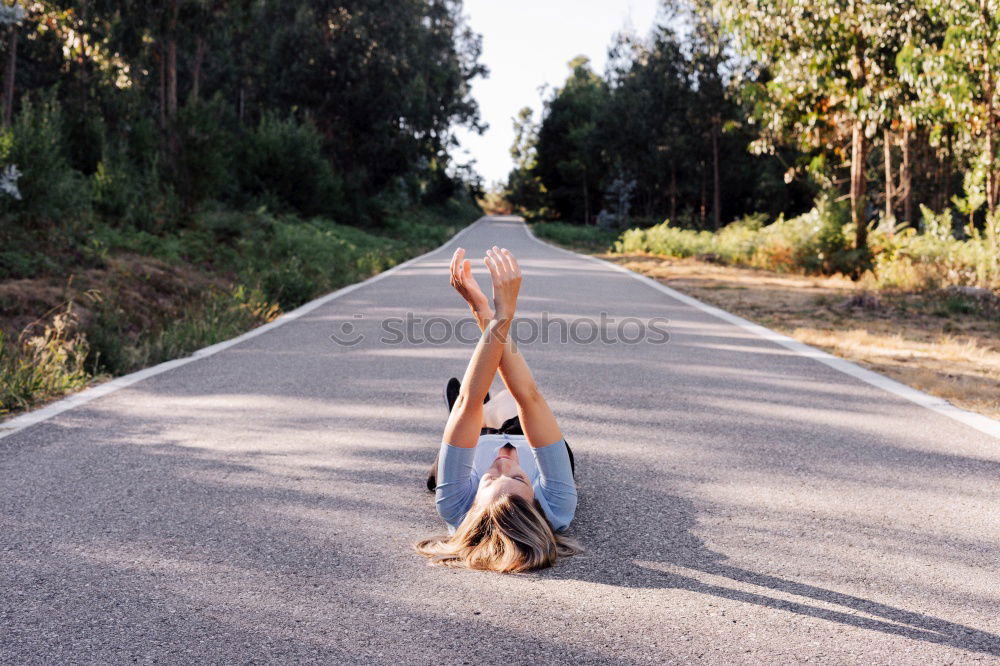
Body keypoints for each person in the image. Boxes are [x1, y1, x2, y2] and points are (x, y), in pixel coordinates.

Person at [414, 246, 581, 573]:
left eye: (490, 479)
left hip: (479, 441)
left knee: (468, 405)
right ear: (535, 502)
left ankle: (480, 421)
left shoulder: (455, 507)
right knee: (513, 400)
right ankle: (489, 414)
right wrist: (496, 316)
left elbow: (467, 402)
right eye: (519, 477)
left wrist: (486, 313)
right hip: (527, 440)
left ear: (474, 503)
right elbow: (529, 397)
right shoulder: (557, 508)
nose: (504, 462)